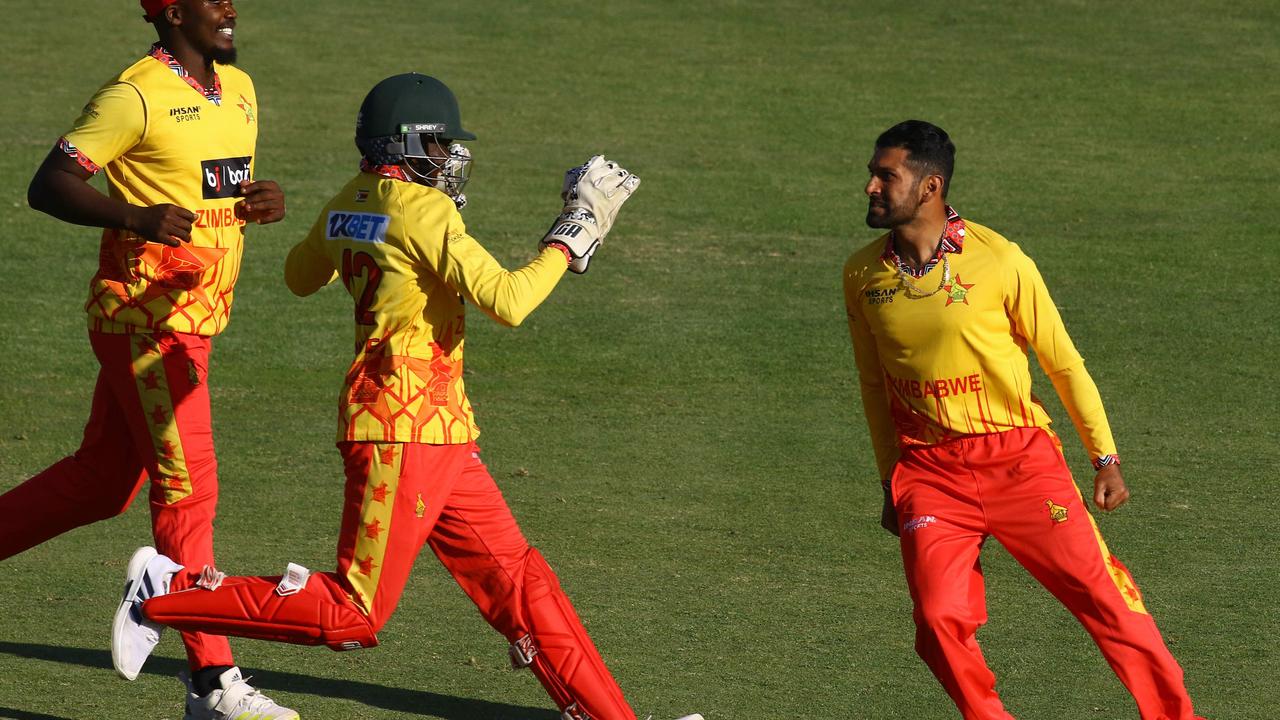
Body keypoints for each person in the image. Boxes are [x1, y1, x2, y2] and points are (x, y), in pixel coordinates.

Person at [111, 72, 703, 720]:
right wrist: (574, 233)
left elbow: (299, 275)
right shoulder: (426, 213)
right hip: (403, 430)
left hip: (437, 428)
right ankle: (166, 591)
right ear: (408, 145)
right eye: (442, 146)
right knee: (353, 613)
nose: (451, 160)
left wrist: (370, 245)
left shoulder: (347, 203)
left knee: (521, 584)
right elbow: (508, 301)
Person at [842, 120, 1205, 719]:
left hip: (1019, 461)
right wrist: (890, 481)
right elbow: (873, 384)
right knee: (936, 621)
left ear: (930, 186)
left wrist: (1105, 457)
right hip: (930, 473)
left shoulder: (1000, 259)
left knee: (1105, 600)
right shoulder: (862, 275)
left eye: (887, 176)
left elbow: (1062, 363)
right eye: (872, 174)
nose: (871, 187)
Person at [3, 1, 294, 718]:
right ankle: (210, 684)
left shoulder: (242, 88)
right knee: (188, 489)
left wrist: (259, 201)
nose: (228, 8)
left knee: (103, 483)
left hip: (195, 322)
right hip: (147, 325)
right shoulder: (131, 96)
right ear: (169, 12)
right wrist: (132, 217)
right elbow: (49, 185)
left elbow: (215, 189)